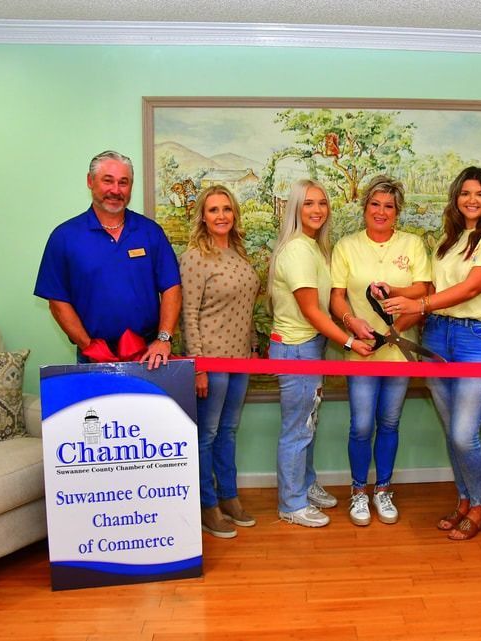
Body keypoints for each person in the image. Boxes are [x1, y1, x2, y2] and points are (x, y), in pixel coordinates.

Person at [382, 166, 481, 540]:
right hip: (438, 336)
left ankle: (479, 504)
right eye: (464, 193)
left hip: (480, 339)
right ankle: (463, 500)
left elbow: (474, 287)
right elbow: (435, 289)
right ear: (456, 198)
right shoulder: (452, 240)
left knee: (463, 433)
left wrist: (420, 305)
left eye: (479, 193)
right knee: (451, 429)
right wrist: (393, 291)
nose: (471, 200)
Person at [268, 179, 372, 528]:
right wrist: (348, 342)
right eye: (309, 203)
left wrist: (351, 321)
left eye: (322, 203)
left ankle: (305, 483)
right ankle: (291, 503)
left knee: (308, 424)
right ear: (295, 208)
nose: (317, 210)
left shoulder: (313, 247)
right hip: (295, 349)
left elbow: (327, 304)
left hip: (309, 347)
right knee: (297, 430)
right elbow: (312, 311)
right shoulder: (297, 250)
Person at [330, 175, 431, 526]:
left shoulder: (412, 244)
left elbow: (424, 288)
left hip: (398, 351)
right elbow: (337, 295)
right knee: (360, 425)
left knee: (389, 422)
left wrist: (394, 329)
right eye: (375, 204)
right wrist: (349, 321)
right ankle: (359, 492)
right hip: (361, 352)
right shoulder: (346, 246)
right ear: (365, 208)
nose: (381, 211)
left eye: (389, 206)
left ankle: (383, 489)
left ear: (397, 211)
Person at [34, 150, 181, 369]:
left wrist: (164, 339)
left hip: (149, 355)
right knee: (96, 405)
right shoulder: (64, 237)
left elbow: (172, 287)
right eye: (108, 181)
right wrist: (88, 346)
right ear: (90, 181)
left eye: (124, 182)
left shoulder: (150, 232)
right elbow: (57, 301)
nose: (115, 190)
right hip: (93, 356)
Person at [180, 185, 260, 539]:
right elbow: (188, 315)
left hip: (242, 358)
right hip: (211, 359)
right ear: (202, 216)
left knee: (228, 432)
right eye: (213, 210)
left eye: (227, 209)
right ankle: (206, 505)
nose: (221, 215)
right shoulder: (195, 257)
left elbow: (247, 308)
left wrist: (255, 347)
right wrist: (197, 365)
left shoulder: (239, 253)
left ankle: (229, 497)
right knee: (207, 435)